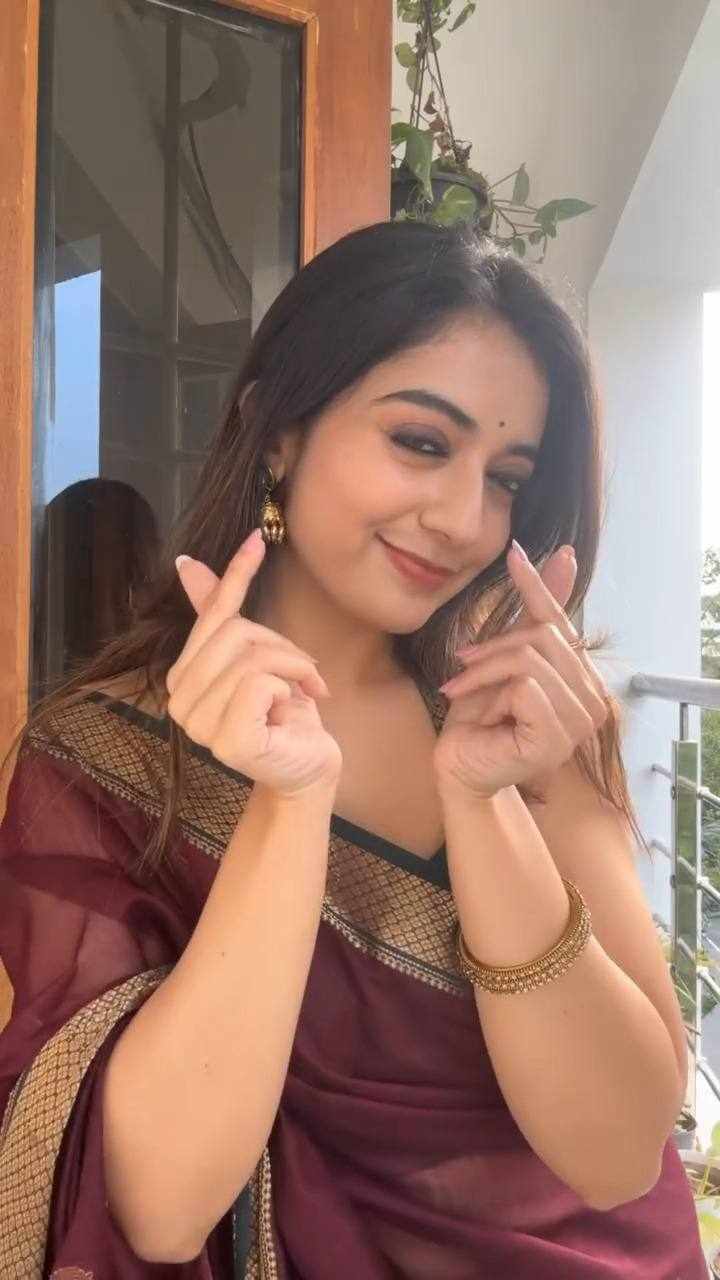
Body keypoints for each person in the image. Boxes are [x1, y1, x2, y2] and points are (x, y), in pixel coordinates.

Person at [0, 220, 707, 1278]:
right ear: (278, 431)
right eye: (421, 442)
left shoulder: (534, 728)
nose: (465, 519)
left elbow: (615, 1158)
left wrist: (484, 801)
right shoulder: (105, 760)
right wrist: (289, 803)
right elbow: (158, 1208)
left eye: (506, 478)